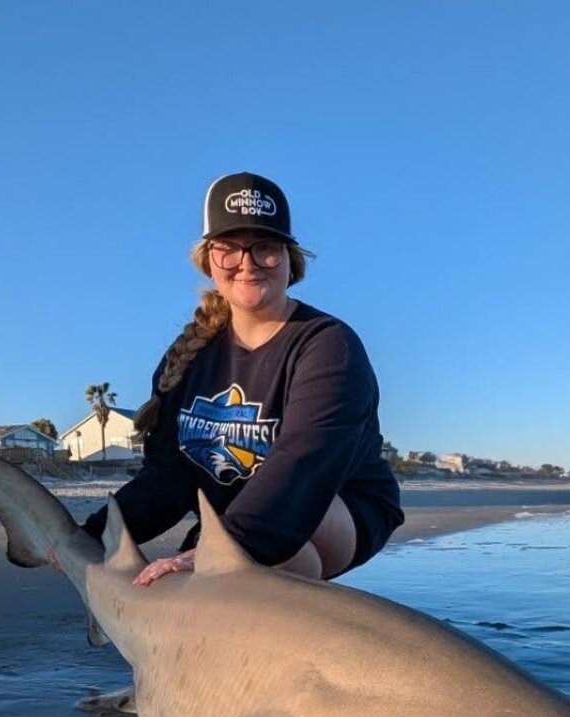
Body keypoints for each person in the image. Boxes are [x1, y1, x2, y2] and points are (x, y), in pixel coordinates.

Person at [80, 172, 403, 585]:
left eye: (266, 248)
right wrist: (92, 536)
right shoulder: (188, 357)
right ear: (207, 259)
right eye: (228, 249)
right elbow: (168, 478)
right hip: (234, 513)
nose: (247, 263)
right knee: (189, 587)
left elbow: (305, 464)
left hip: (334, 506)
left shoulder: (328, 346)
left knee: (279, 559)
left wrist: (224, 548)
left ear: (291, 259)